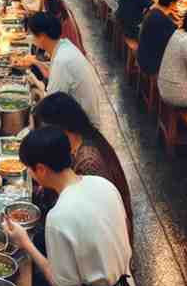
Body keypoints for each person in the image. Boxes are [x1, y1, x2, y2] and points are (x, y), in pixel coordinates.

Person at [2, 126, 135, 286]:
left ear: (41, 169)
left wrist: (25, 243)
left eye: (29, 168)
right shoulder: (102, 184)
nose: (29, 173)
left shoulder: (60, 215)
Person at [32, 93, 134, 244]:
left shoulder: (88, 161)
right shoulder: (81, 139)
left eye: (45, 131)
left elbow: (83, 215)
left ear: (62, 128)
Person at [23, 12, 103, 125]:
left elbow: (51, 105)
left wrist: (37, 86)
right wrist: (35, 63)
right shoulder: (64, 46)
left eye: (32, 35)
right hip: (79, 114)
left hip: (83, 126)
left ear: (42, 36)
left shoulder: (62, 60)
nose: (31, 38)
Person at [138, 0, 182, 77]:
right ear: (171, 3)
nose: (177, 6)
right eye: (177, 2)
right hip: (153, 63)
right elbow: (176, 43)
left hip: (144, 55)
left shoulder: (154, 11)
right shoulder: (162, 20)